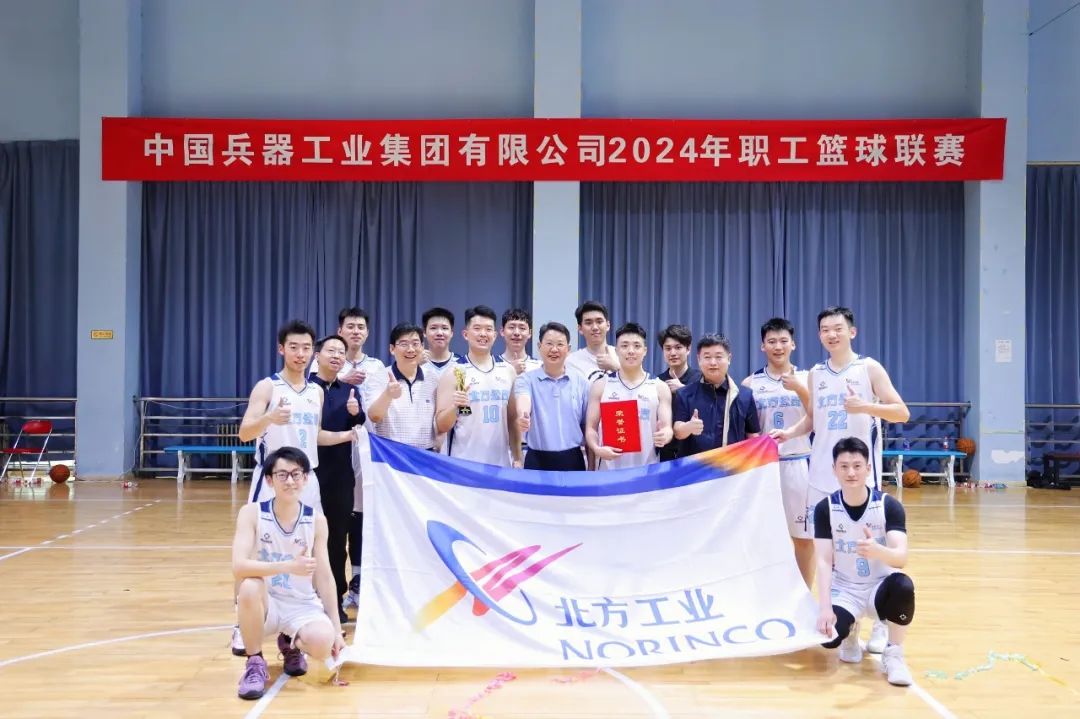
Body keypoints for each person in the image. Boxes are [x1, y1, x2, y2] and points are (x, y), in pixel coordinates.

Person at [771, 306, 909, 653]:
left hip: (859, 478)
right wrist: (789, 433)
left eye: (837, 328)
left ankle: (881, 622)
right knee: (830, 552)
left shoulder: (869, 368)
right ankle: (847, 623)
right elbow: (813, 419)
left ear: (852, 332)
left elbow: (901, 412)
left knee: (869, 548)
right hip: (821, 476)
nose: (831, 335)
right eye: (824, 330)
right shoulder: (816, 373)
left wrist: (867, 407)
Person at [233, 320, 352, 655]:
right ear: (281, 349)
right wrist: (268, 419)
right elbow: (244, 432)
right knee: (254, 551)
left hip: (307, 479)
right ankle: (241, 625)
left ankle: (295, 623)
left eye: (306, 348)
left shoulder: (315, 392)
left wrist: (348, 435)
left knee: (310, 551)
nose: (300, 354)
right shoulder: (267, 387)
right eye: (294, 347)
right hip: (272, 479)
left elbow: (314, 436)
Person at [232, 447, 345, 700]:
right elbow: (239, 566)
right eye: (282, 475)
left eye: (296, 474)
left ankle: (290, 643)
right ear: (269, 480)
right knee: (249, 586)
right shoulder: (251, 513)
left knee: (323, 643)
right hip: (266, 602)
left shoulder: (316, 521)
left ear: (305, 479)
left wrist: (337, 630)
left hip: (301, 605)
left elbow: (325, 576)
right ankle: (254, 662)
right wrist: (288, 566)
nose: (290, 481)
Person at [814, 437, 914, 687]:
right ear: (834, 469)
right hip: (845, 590)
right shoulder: (825, 508)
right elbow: (824, 561)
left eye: (857, 466)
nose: (851, 472)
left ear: (868, 468)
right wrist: (824, 607)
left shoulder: (888, 505)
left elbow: (901, 558)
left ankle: (894, 653)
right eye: (844, 466)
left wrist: (878, 551)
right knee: (828, 638)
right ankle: (850, 631)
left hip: (878, 587)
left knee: (903, 586)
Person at [742, 318, 814, 587]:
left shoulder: (807, 378)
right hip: (764, 468)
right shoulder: (750, 383)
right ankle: (767, 594)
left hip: (799, 463)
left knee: (803, 537)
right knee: (763, 537)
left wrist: (800, 389)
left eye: (783, 341)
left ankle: (804, 595)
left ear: (793, 344)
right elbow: (746, 429)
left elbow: (817, 415)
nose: (778, 346)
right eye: (771, 341)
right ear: (763, 346)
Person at [309, 335, 366, 624]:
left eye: (341, 352)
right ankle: (305, 599)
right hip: (309, 474)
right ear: (317, 355)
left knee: (336, 540)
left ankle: (335, 600)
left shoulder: (350, 391)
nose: (336, 355)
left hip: (341, 475)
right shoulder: (307, 388)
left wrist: (356, 414)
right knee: (306, 539)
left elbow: (359, 425)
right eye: (330, 350)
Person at [435, 305, 518, 466]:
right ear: (465, 334)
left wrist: (518, 457)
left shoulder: (508, 371)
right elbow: (440, 426)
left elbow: (512, 419)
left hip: (501, 465)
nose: (483, 334)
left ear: (495, 335)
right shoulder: (454, 372)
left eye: (488, 329)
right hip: (464, 464)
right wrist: (455, 407)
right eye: (477, 328)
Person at [585, 322, 673, 470]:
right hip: (609, 469)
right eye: (625, 346)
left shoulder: (659, 387)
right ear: (616, 350)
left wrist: (665, 435)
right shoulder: (601, 386)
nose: (631, 351)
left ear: (645, 351)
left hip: (647, 469)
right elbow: (590, 429)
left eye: (637, 346)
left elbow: (667, 428)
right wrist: (596, 448)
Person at [513, 322, 590, 470]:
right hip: (537, 460)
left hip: (572, 458)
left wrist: (591, 466)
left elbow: (587, 425)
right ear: (539, 346)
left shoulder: (581, 382)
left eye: (560, 344)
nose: (554, 349)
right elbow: (523, 399)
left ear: (568, 349)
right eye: (549, 344)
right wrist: (523, 415)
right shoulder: (526, 379)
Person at [672, 334, 760, 456]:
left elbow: (753, 435)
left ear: (729, 358)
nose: (713, 363)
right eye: (707, 357)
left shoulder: (745, 395)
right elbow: (677, 432)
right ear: (698, 359)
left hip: (732, 465)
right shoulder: (684, 394)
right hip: (696, 466)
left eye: (718, 357)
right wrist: (689, 427)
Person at [367, 322, 440, 450]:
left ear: (422, 347)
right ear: (392, 349)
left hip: (426, 454)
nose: (410, 349)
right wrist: (387, 395)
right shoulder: (379, 376)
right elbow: (374, 416)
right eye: (404, 344)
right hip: (392, 454)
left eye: (415, 344)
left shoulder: (433, 378)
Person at [310, 307, 386, 390]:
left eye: (360, 327)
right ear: (340, 331)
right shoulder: (322, 360)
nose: (356, 332)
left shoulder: (377, 366)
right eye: (350, 327)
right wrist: (343, 380)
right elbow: (312, 391)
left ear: (367, 333)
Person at [656, 324, 701, 461]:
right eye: (668, 348)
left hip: (694, 453)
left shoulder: (701, 378)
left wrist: (683, 389)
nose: (673, 353)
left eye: (678, 347)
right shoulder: (657, 382)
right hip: (664, 453)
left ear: (688, 349)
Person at [564, 300, 619, 382]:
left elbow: (636, 384)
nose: (595, 327)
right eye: (588, 323)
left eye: (599, 322)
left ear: (608, 325)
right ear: (580, 329)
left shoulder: (622, 355)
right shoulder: (571, 362)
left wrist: (615, 367)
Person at [499, 307, 542, 375]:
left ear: (530, 333)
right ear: (502, 331)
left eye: (522, 328)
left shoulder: (539, 367)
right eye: (511, 327)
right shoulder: (492, 365)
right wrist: (511, 372)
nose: (517, 333)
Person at [420, 306, 459, 377]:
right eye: (433, 328)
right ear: (424, 332)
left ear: (451, 333)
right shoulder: (417, 364)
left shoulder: (461, 363)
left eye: (444, 328)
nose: (439, 333)